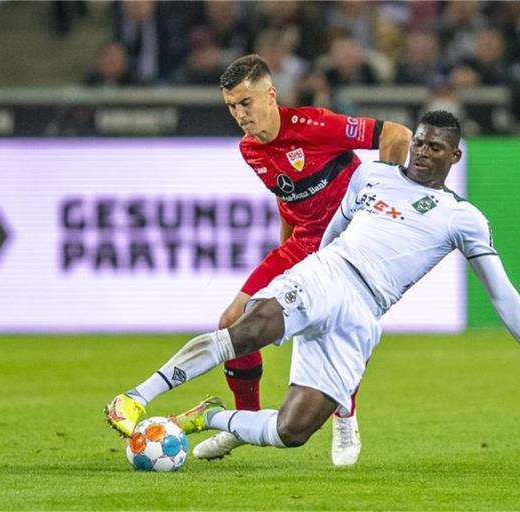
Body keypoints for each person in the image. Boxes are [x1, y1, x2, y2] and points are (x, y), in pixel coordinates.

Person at [107, 110, 520, 462]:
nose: (422, 151)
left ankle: (206, 417)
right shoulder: (372, 175)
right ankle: (138, 396)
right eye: (420, 142)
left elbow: (501, 291)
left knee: (293, 431)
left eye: (436, 147)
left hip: (363, 312)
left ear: (454, 156)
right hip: (328, 274)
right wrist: (312, 268)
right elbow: (336, 229)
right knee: (248, 330)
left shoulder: (464, 218)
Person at [105, 54, 413, 466]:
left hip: (345, 247)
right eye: (231, 106)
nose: (239, 114)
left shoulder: (315, 125)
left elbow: (397, 133)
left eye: (245, 103)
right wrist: (283, 256)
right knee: (231, 320)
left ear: (271, 95)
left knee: (332, 325)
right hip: (301, 243)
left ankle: (345, 415)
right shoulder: (250, 149)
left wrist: (380, 204)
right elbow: (289, 199)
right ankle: (241, 421)